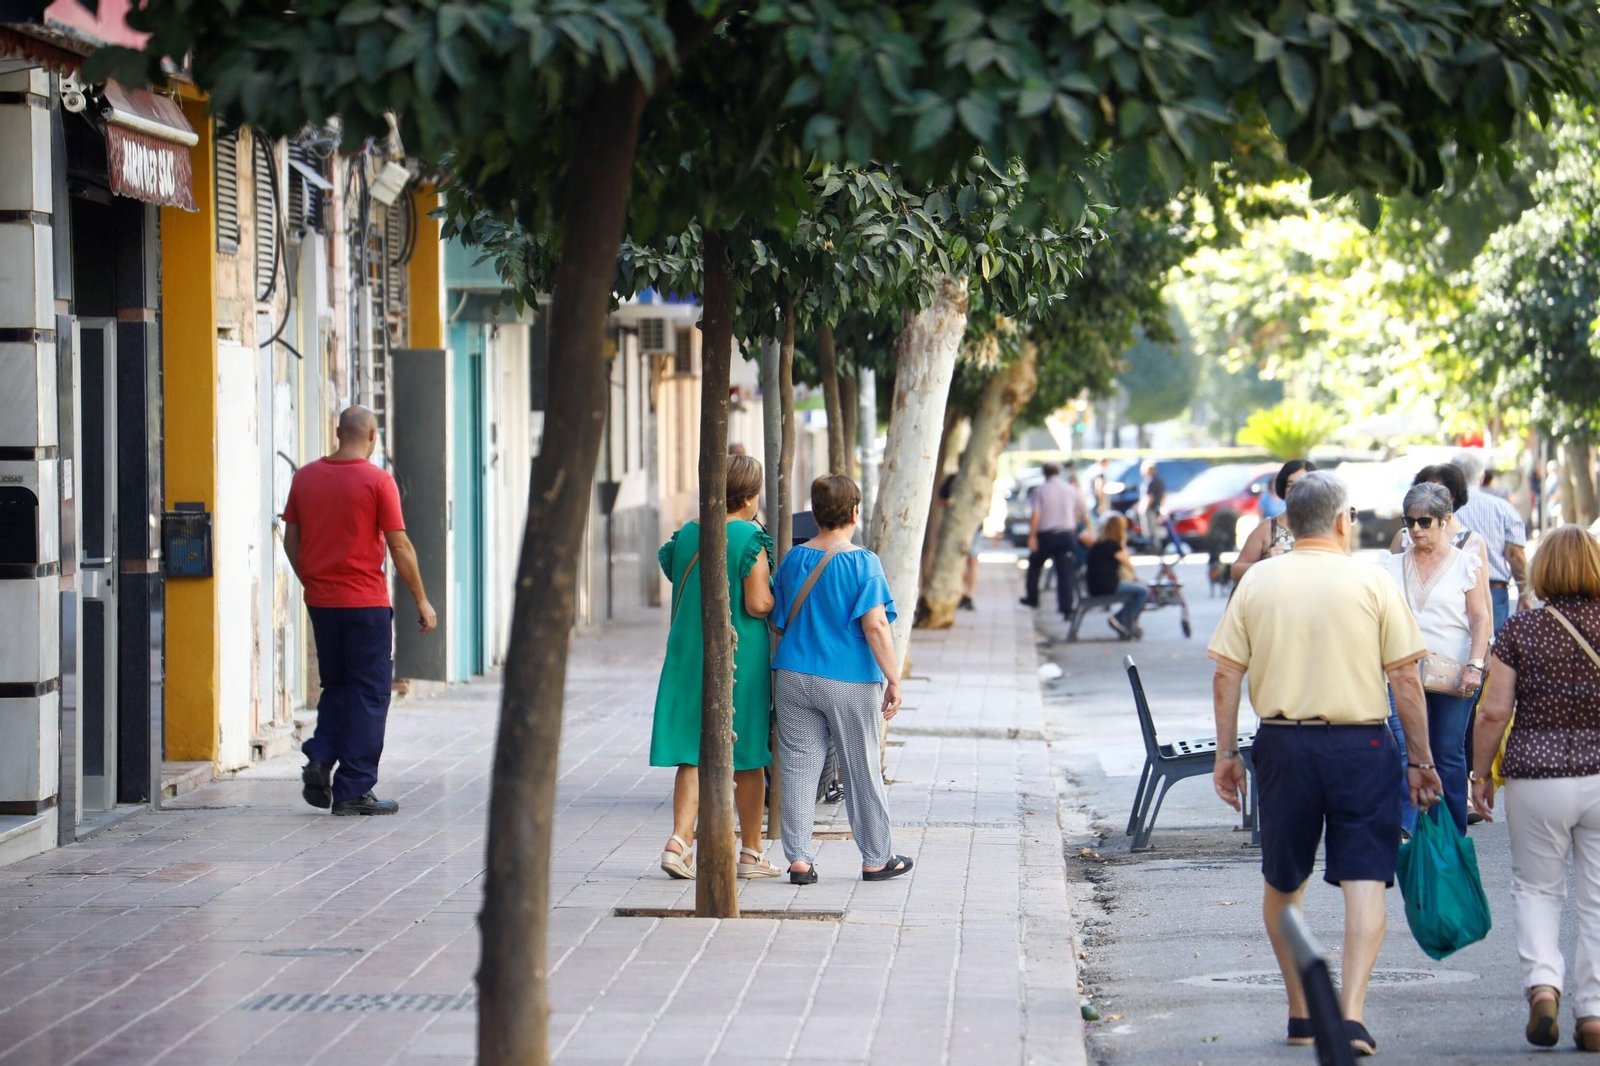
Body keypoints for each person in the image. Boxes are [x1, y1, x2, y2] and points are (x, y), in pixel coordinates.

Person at [1209, 472, 1441, 1058]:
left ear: (1289, 521)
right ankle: (1352, 1016)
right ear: (1343, 521)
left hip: (1283, 746)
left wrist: (1226, 754)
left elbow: (1226, 674)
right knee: (1365, 881)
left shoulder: (1258, 581)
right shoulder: (1373, 581)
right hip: (1363, 748)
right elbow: (1405, 679)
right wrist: (1421, 760)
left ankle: (1301, 1012)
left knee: (1283, 880)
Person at [1470, 526, 1600, 1051]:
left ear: (1543, 570)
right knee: (1597, 898)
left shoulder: (1520, 630)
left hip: (1537, 778)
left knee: (1538, 889)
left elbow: (1493, 712)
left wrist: (1481, 774)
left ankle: (1543, 985)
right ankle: (1594, 1014)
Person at [284, 406, 436, 817]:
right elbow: (399, 545)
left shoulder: (304, 478)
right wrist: (421, 599)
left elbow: (290, 540)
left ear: (338, 432)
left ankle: (320, 758)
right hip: (365, 604)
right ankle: (353, 789)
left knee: (336, 685)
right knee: (369, 693)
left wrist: (311, 581)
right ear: (373, 436)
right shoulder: (378, 481)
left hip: (322, 603)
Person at [771, 474, 912, 885]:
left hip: (793, 674)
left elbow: (778, 617)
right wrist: (894, 678)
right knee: (860, 767)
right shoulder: (863, 562)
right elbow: (875, 626)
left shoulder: (793, 559)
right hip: (848, 680)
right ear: (854, 512)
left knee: (798, 768)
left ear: (815, 513)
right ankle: (876, 858)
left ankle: (799, 860)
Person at [651, 455, 780, 880]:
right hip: (738, 655)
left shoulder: (689, 532)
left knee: (693, 748)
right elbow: (757, 603)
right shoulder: (749, 536)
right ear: (749, 496)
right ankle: (751, 853)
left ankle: (679, 842)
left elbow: (672, 568)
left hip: (688, 651)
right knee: (747, 752)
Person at [1382, 483, 1492, 835]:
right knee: (1407, 748)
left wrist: (1476, 665)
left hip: (1454, 672)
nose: (1415, 529)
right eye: (1409, 521)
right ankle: (1409, 830)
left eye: (1425, 522)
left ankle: (1451, 833)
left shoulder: (1466, 563)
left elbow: (1480, 618)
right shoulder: (1390, 565)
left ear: (1445, 521)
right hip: (1402, 672)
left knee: (1447, 752)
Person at [1450, 450, 1529, 633]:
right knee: (1491, 647)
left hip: (1451, 589)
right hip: (1494, 591)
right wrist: (1524, 593)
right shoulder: (1503, 508)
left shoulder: (1441, 509)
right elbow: (1515, 555)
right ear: (1481, 477)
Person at [1230, 459, 1316, 584]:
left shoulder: (1329, 527)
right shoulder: (1268, 529)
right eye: (1290, 485)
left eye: (1303, 485)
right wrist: (1263, 565)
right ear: (1283, 489)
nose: (1297, 490)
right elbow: (1236, 571)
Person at [1021, 463, 1083, 618]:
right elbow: (1080, 511)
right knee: (1065, 572)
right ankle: (1066, 607)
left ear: (1044, 474)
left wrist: (1032, 536)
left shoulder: (1041, 490)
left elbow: (1036, 514)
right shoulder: (1070, 489)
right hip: (1066, 535)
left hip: (1046, 536)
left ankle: (1033, 598)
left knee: (1035, 567)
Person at [1084, 514, 1148, 639]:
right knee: (1143, 591)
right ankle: (1122, 619)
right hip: (1106, 585)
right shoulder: (1113, 546)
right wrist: (1123, 543)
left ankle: (1123, 619)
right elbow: (1129, 565)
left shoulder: (1099, 543)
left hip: (1095, 584)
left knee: (1136, 590)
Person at [1137, 460, 1167, 544]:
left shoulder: (1150, 481)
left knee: (1150, 530)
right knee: (1154, 529)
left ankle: (1152, 545)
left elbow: (1150, 497)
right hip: (1156, 507)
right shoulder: (1159, 480)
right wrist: (1163, 506)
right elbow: (1164, 495)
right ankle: (1156, 544)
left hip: (1150, 509)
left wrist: (1143, 508)